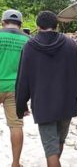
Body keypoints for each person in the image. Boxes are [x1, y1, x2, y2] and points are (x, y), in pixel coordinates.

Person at [16, 11, 77, 167]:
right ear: (56, 25)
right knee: (58, 143)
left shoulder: (29, 47)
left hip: (43, 106)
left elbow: (23, 80)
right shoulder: (70, 45)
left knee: (51, 149)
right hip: (66, 104)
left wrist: (21, 105)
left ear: (38, 26)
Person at [0, 9, 29, 167]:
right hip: (15, 89)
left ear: (3, 22)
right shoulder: (28, 40)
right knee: (16, 126)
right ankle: (16, 163)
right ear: (20, 24)